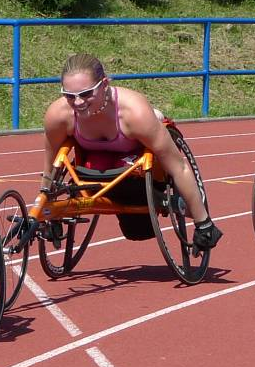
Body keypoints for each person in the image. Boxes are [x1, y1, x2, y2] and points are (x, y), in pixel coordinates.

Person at [38, 53, 221, 251]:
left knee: (139, 228)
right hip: (98, 171)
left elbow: (179, 167)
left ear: (105, 84)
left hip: (138, 169)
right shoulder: (59, 115)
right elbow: (51, 167)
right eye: (69, 95)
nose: (78, 102)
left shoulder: (134, 113)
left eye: (86, 94)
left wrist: (204, 223)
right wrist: (47, 211)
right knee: (131, 225)